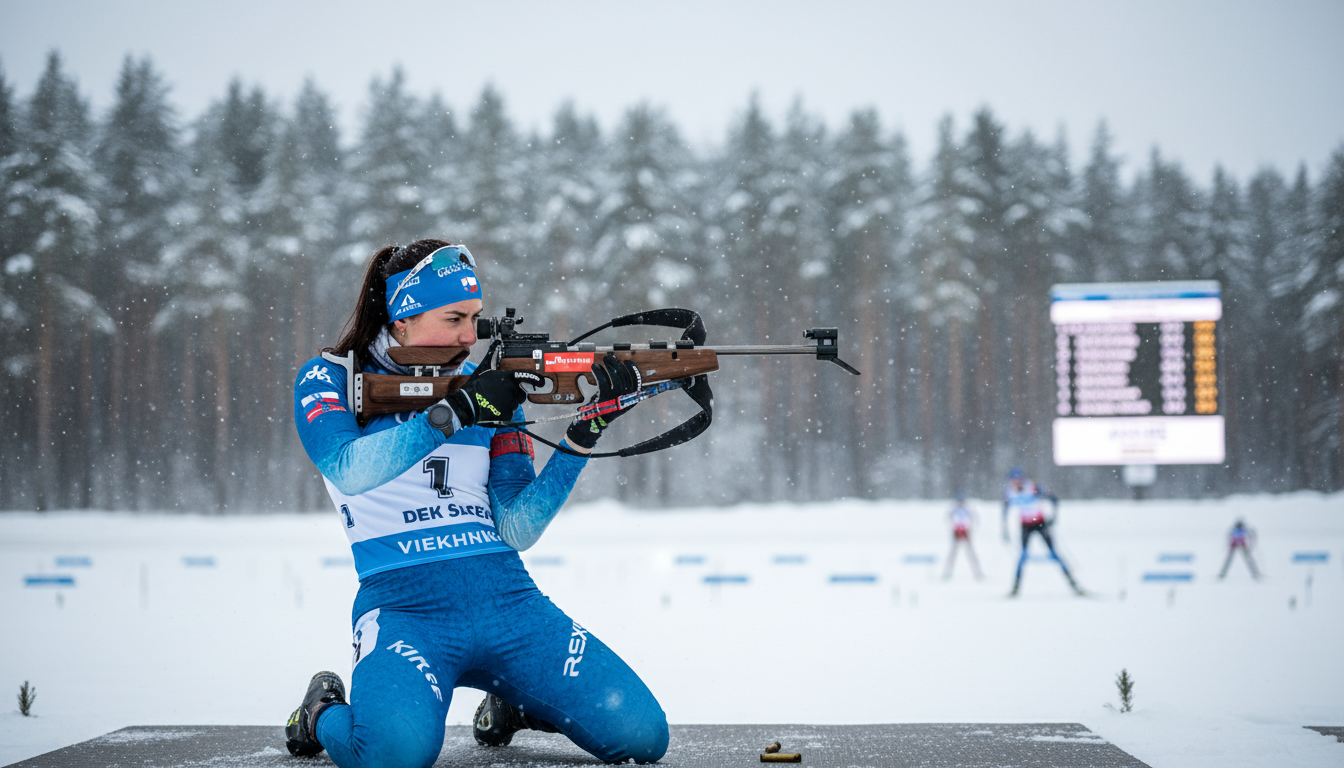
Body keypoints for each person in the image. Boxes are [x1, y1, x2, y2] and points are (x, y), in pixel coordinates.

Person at [285, 239, 669, 767]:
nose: (471, 335)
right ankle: (320, 711)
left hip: (509, 601)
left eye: (476, 318)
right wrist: (458, 411)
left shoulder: (490, 390)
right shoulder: (332, 377)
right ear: (402, 319)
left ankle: (512, 703)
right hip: (404, 609)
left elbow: (516, 528)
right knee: (392, 757)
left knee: (643, 737)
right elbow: (351, 470)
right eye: (455, 318)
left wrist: (586, 430)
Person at [1002, 467, 1082, 596]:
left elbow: (1053, 498)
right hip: (1025, 526)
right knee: (1022, 556)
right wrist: (1004, 528)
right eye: (1013, 480)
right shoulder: (1010, 492)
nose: (1015, 483)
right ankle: (1015, 589)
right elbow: (1004, 509)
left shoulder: (1031, 487)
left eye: (1017, 480)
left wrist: (1054, 517)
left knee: (1054, 554)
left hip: (1040, 523)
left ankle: (1074, 585)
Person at [942, 491, 983, 580]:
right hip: (956, 533)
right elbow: (947, 519)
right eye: (958, 501)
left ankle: (978, 572)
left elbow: (975, 518)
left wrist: (971, 528)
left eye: (961, 501)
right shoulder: (952, 508)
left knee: (971, 553)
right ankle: (947, 573)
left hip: (966, 533)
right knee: (952, 554)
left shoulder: (968, 508)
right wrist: (951, 527)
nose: (960, 503)